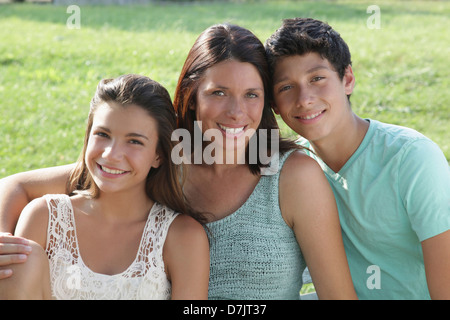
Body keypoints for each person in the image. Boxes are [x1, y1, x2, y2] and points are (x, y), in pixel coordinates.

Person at [0, 24, 356, 300]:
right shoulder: (168, 160)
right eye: (218, 93)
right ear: (190, 96)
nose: (236, 112)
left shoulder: (292, 175)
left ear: (266, 103)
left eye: (251, 95)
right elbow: (16, 185)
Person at [265, 17, 450, 299]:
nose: (304, 99)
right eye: (286, 87)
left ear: (347, 79)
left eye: (317, 79)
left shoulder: (412, 158)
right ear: (275, 106)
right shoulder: (293, 168)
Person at [0, 74, 210, 299]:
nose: (111, 155)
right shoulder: (44, 217)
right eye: (102, 134)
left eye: (134, 141)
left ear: (158, 155)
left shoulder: (182, 237)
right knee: (23, 256)